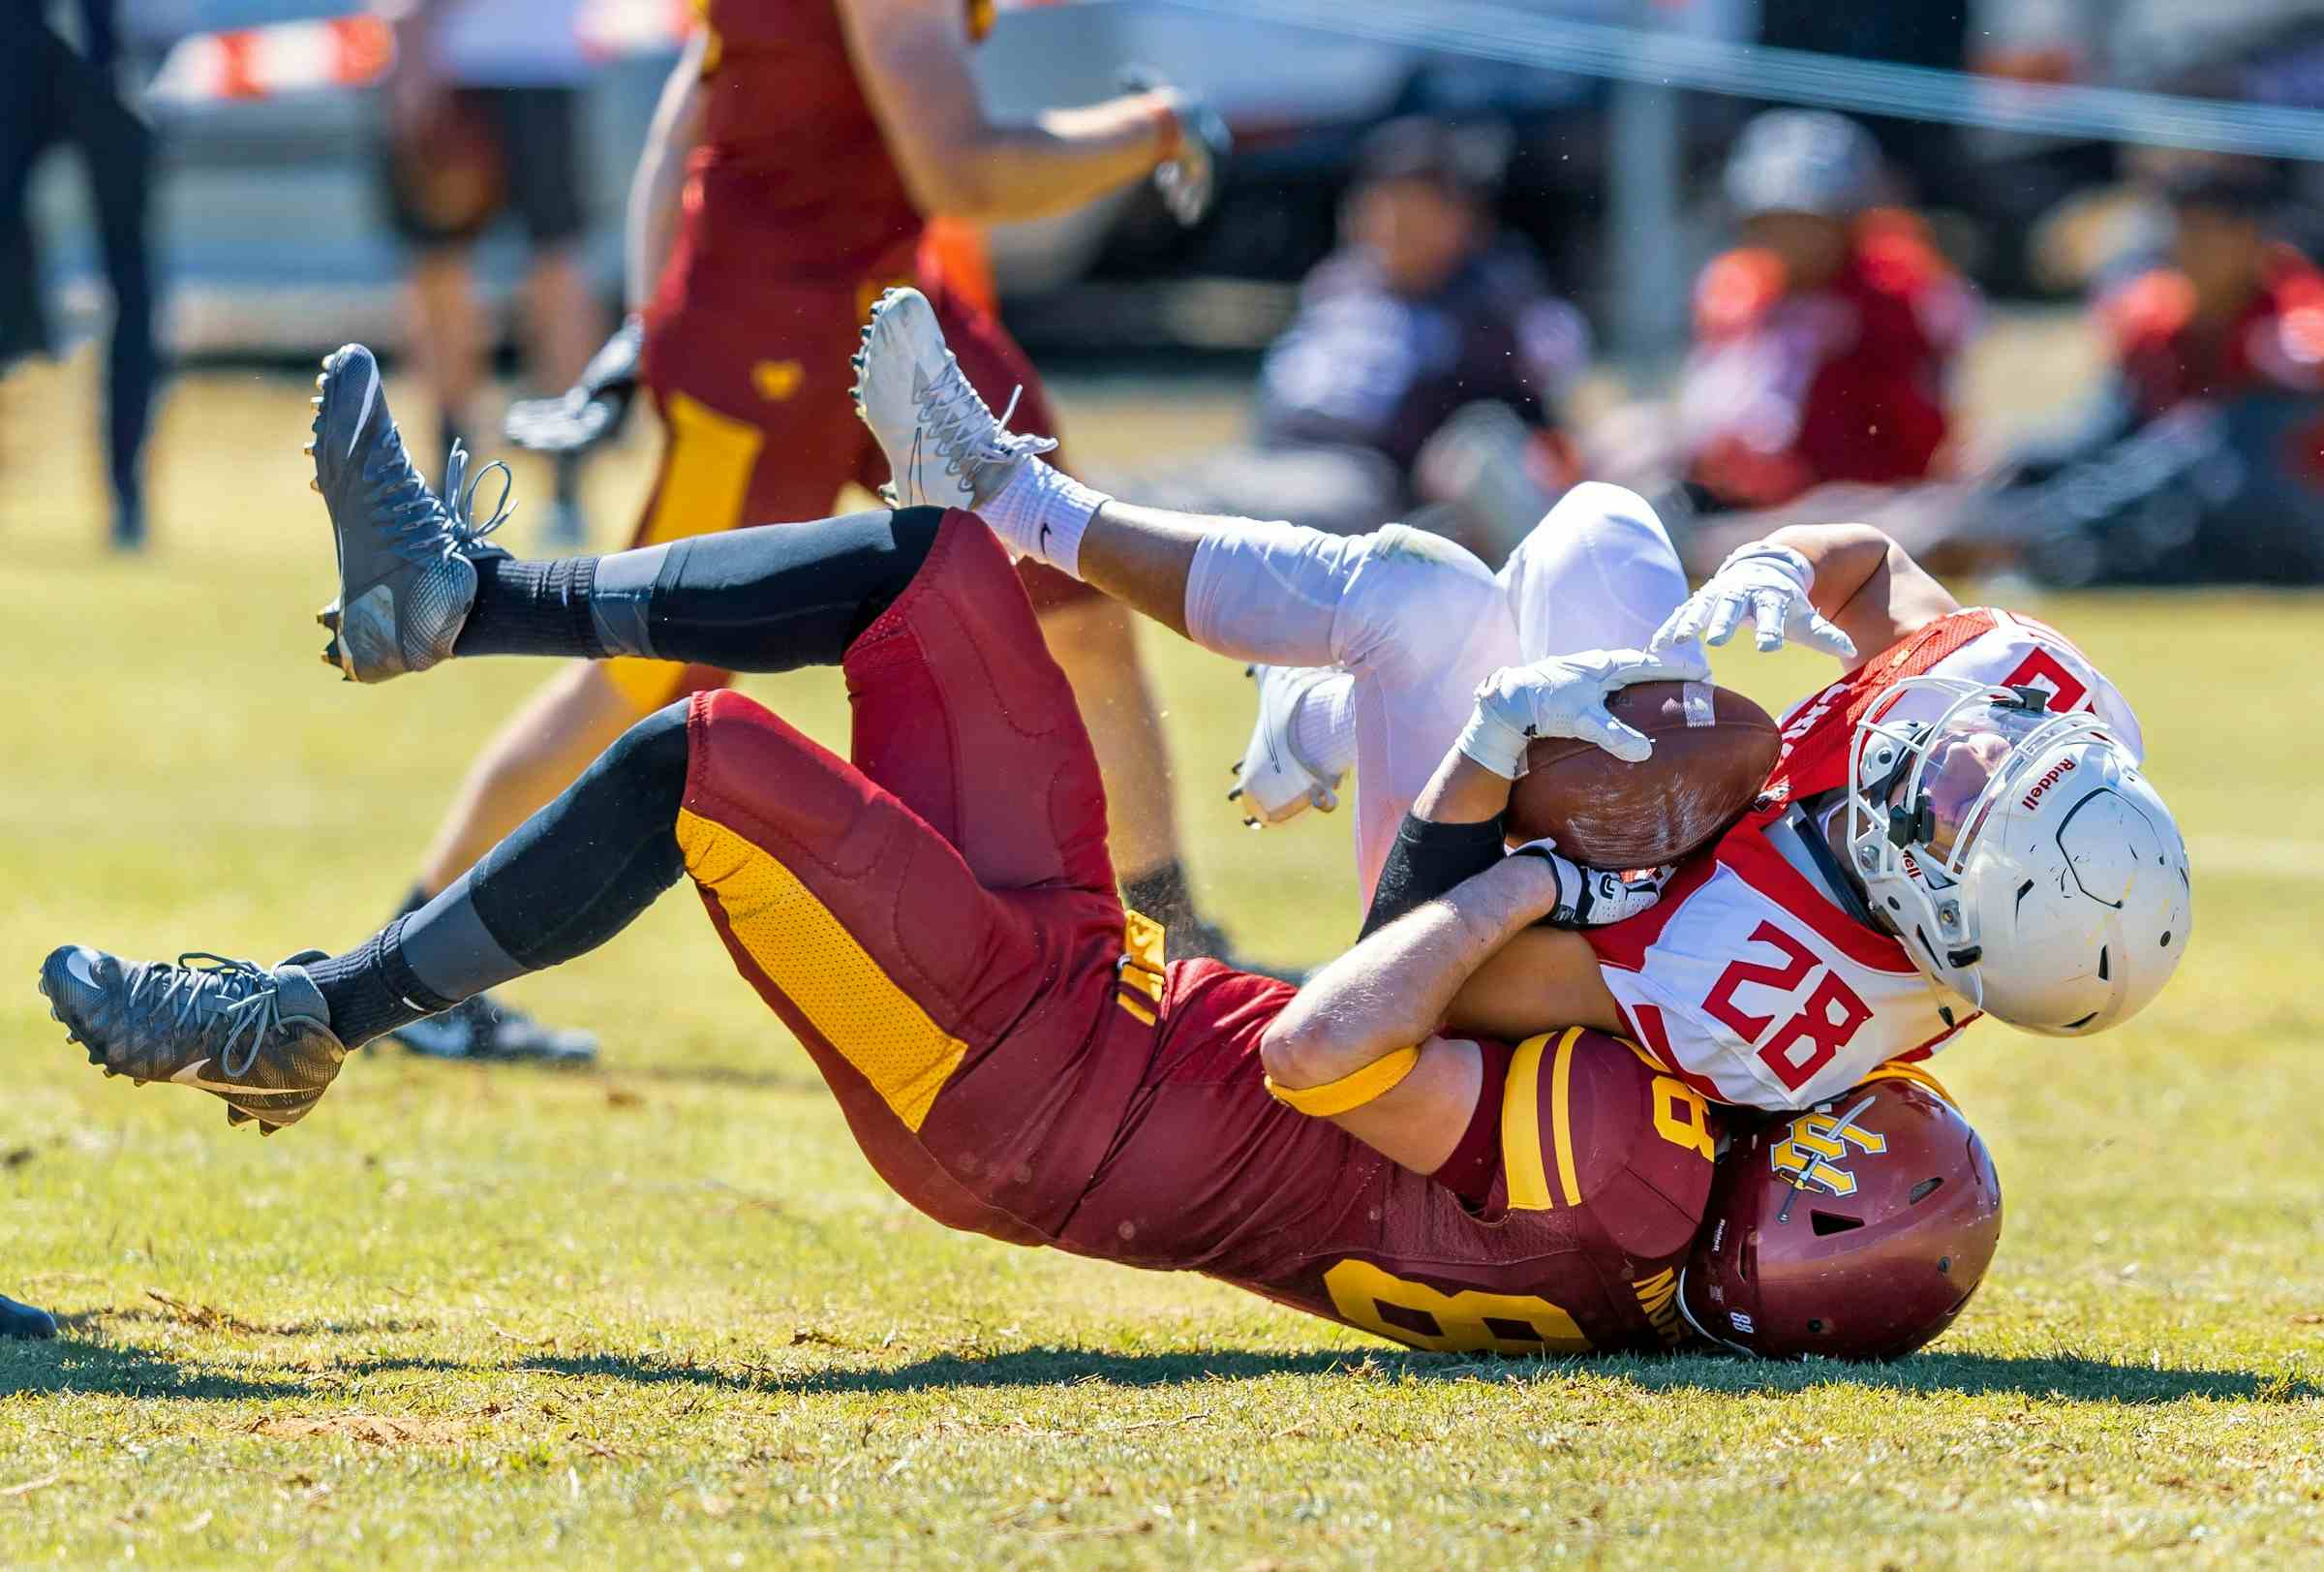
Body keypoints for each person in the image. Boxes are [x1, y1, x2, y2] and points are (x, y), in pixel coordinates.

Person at [39, 341, 2001, 1362]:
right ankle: (467, 596)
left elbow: (1339, 1051)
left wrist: (1509, 853)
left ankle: (310, 1011)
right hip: (1107, 994)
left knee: (705, 761)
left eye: (1836, 1126)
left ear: (1787, 1226)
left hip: (1029, 1087)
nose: (1817, 1084)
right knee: (930, 567)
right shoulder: (1684, 1170)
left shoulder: (1648, 1187)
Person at [374, 0, 1238, 1061]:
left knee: (1080, 592)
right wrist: (1154, 127)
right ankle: (417, 971)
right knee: (648, 675)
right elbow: (962, 172)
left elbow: (692, 103)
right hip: (767, 337)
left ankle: (1176, 946)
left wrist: (648, 318)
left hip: (894, 307)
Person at [1133, 116, 1587, 559]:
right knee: (1179, 483)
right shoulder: (1341, 283)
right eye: (1384, 206)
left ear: (1462, 221)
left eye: (1414, 211)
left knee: (1201, 509)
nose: (1392, 225)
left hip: (1368, 481)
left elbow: (1512, 424)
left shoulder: (1484, 305)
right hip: (1277, 455)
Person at [2004, 156, 2324, 586]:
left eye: (2207, 236)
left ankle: (2037, 534)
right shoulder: (2158, 315)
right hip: (2190, 514)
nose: (2189, 252)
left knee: (2221, 434)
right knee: (2029, 464)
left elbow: (2218, 448)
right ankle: (2004, 531)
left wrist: (2064, 514)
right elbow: (2115, 437)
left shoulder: (2298, 319)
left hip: (2295, 526)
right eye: (2183, 234)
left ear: (2253, 240)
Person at [375, 0, 609, 545]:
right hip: (529, 62)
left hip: (474, 61)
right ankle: (495, 482)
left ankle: (524, 483)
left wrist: (413, 28)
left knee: (533, 277)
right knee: (518, 276)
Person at [1670, 110, 1973, 518]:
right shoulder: (1737, 287)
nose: (1787, 241)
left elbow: (1923, 416)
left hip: (1868, 492)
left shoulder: (1895, 288)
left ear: (1847, 223)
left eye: (1805, 224)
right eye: (1771, 224)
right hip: (1750, 488)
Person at [0, 0, 160, 550]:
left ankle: (127, 492)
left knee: (131, 275)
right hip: (21, 35)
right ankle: (24, 330)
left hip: (105, 45)